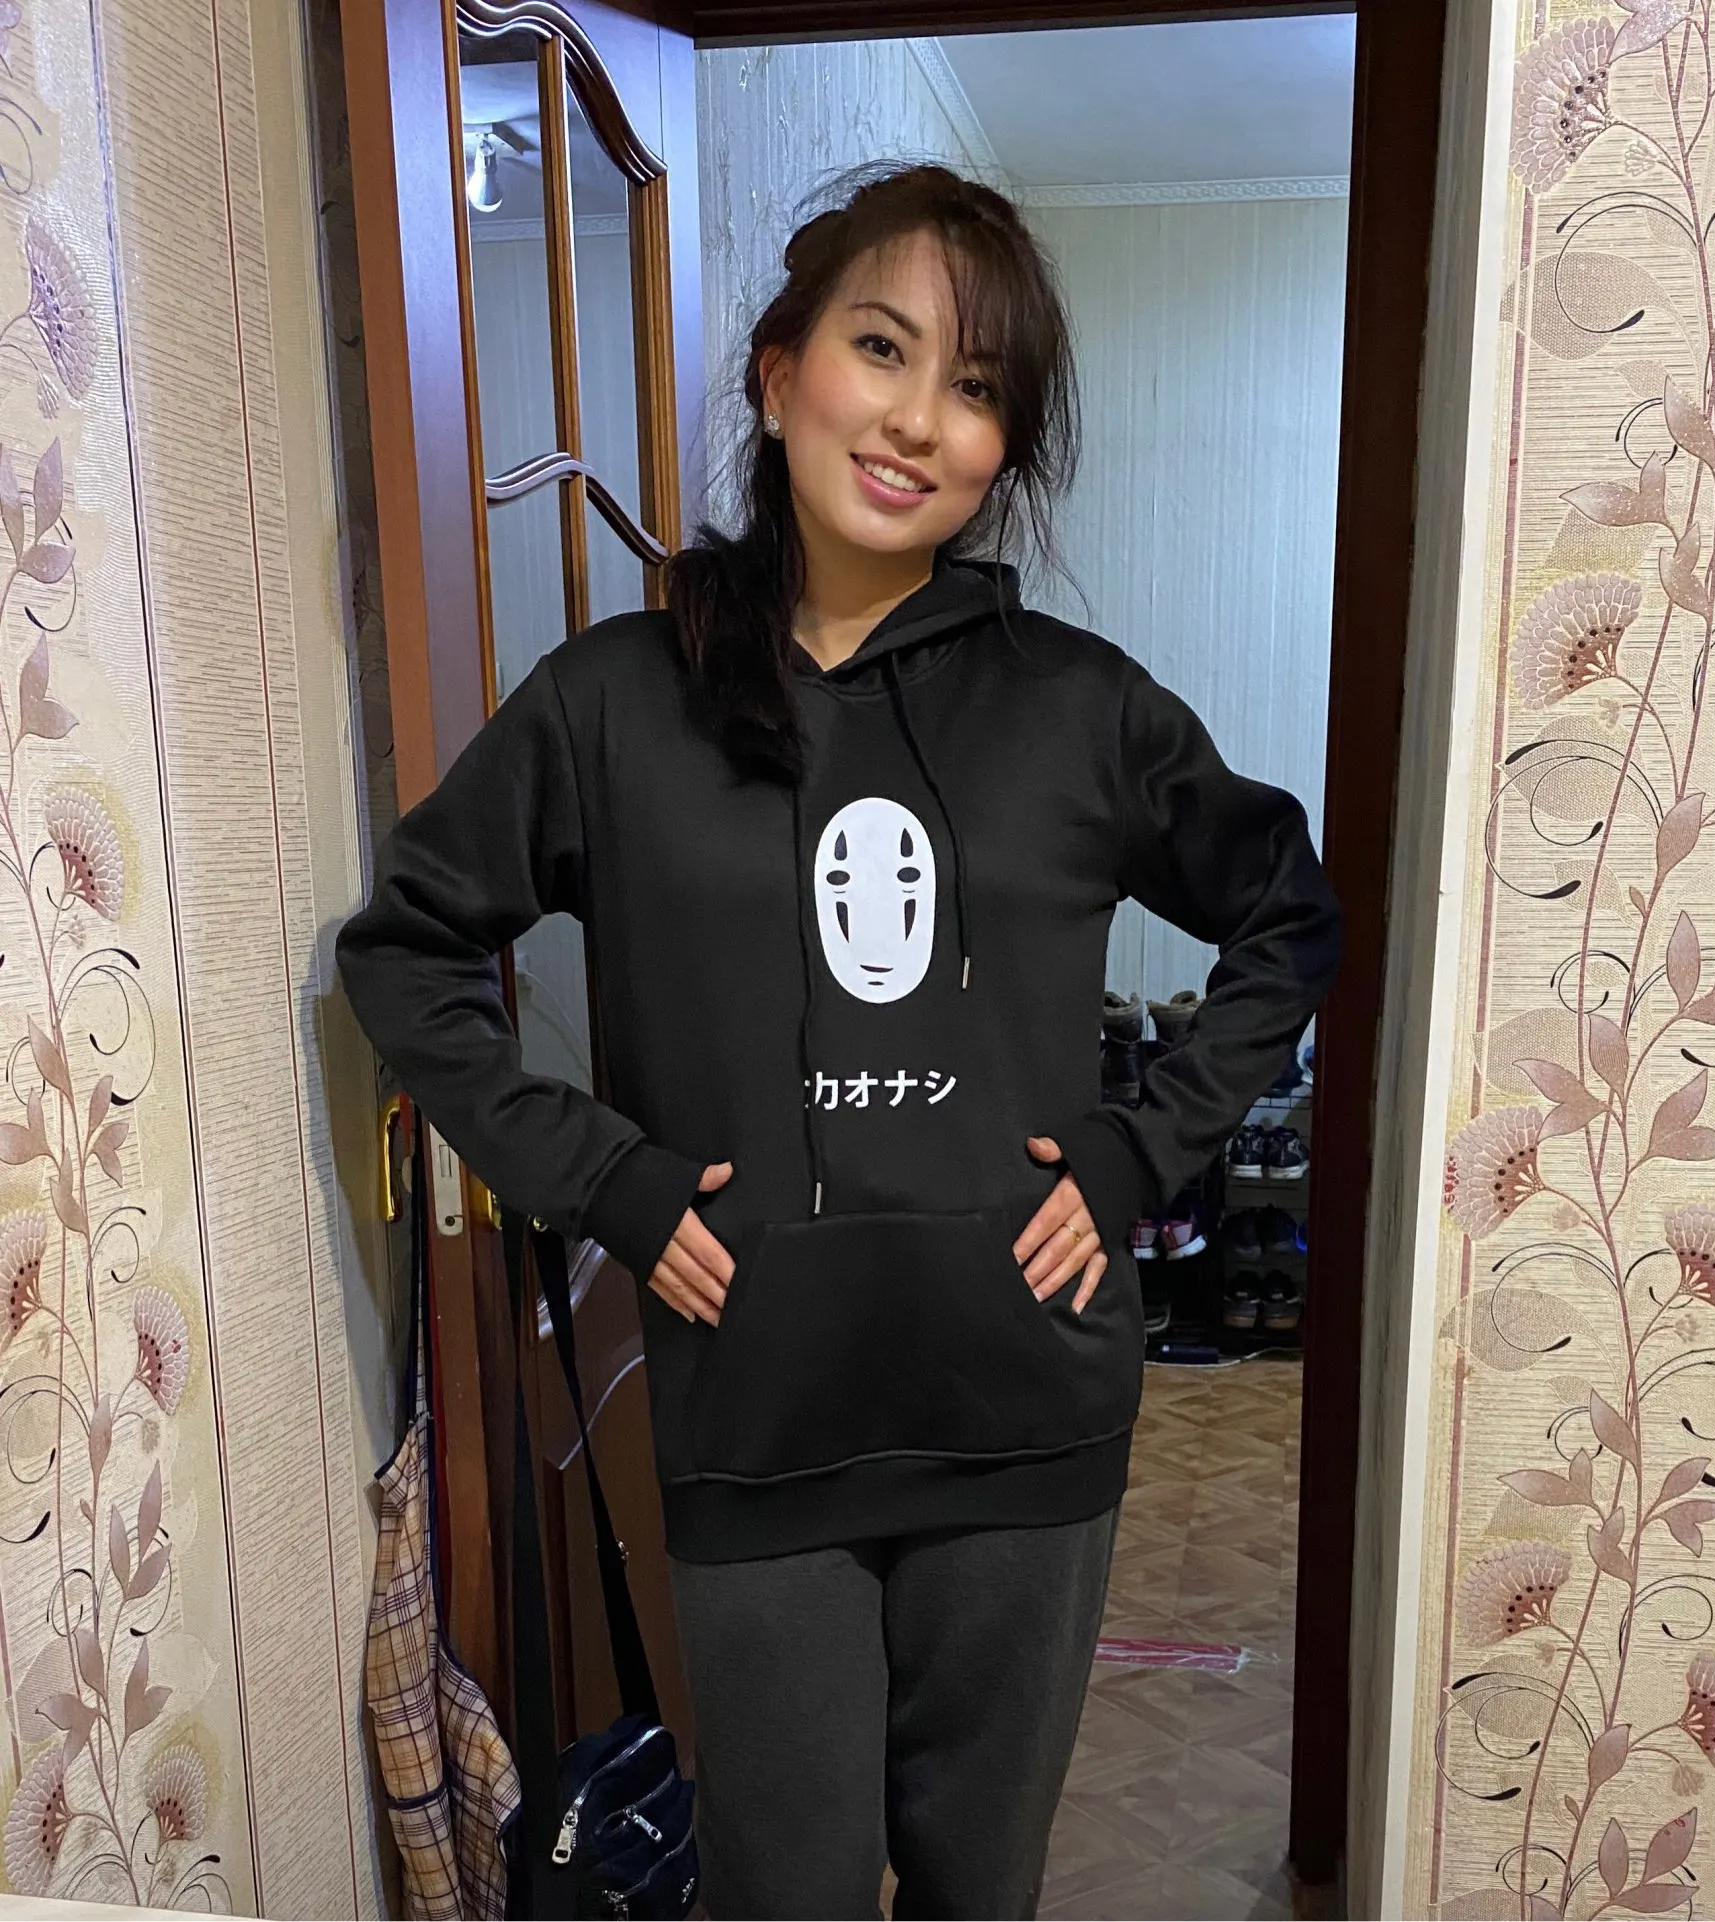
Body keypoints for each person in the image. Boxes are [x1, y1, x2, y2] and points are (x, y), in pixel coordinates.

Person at [337, 161, 1341, 1919]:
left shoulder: (1077, 707)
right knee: (782, 1891)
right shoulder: (616, 702)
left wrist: (1137, 1151)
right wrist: (610, 1180)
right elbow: (408, 948)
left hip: (1024, 1414)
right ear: (779, 368)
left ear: (1004, 452)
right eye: (883, 348)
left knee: (976, 1892)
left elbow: (1288, 912)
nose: (920, 419)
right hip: (756, 1415)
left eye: (978, 387)